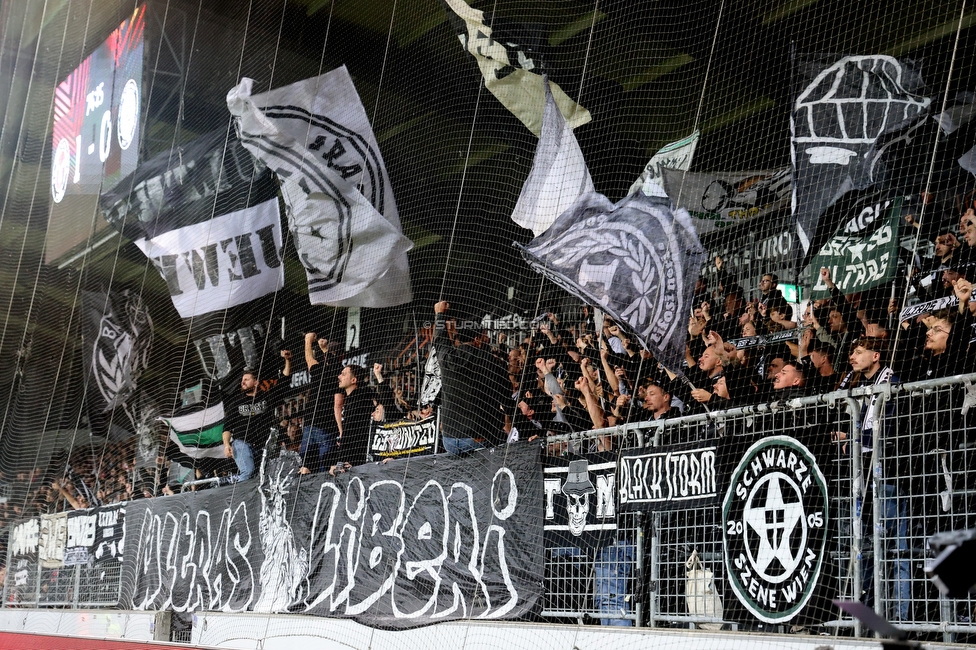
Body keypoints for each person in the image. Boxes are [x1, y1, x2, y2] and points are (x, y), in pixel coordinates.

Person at [433, 301, 510, 454]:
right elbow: (505, 393)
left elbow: (439, 340)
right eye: (484, 336)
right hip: (477, 439)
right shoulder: (487, 360)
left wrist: (439, 315)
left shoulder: (447, 357)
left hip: (449, 440)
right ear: (477, 339)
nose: (487, 339)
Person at [222, 350, 292, 483]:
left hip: (262, 445)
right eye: (242, 380)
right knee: (247, 471)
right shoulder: (236, 402)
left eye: (246, 380)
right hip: (241, 443)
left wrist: (288, 361)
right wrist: (226, 445)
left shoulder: (266, 396)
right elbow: (227, 427)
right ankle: (240, 494)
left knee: (262, 476)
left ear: (256, 382)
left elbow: (284, 381)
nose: (243, 382)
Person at [328, 365, 375, 475]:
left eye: (343, 374)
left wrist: (341, 462)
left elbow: (352, 432)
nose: (339, 377)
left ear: (353, 380)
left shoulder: (358, 399)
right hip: (354, 459)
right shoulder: (352, 398)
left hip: (356, 461)